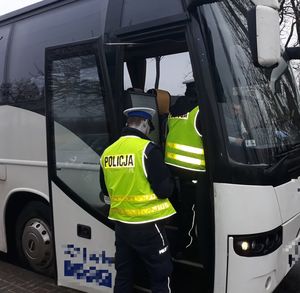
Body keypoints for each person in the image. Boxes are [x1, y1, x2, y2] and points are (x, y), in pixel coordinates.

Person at [99, 107, 176, 293]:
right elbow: (165, 190)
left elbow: (104, 190)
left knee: (124, 274)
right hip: (149, 227)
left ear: (128, 124)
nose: (149, 130)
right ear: (144, 124)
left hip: (122, 226)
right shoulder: (148, 150)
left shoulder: (108, 153)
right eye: (149, 127)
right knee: (160, 275)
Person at [164, 79, 206, 260]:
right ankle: (187, 246)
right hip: (194, 171)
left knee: (183, 209)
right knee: (192, 212)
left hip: (173, 169)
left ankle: (180, 241)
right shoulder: (200, 111)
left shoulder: (174, 109)